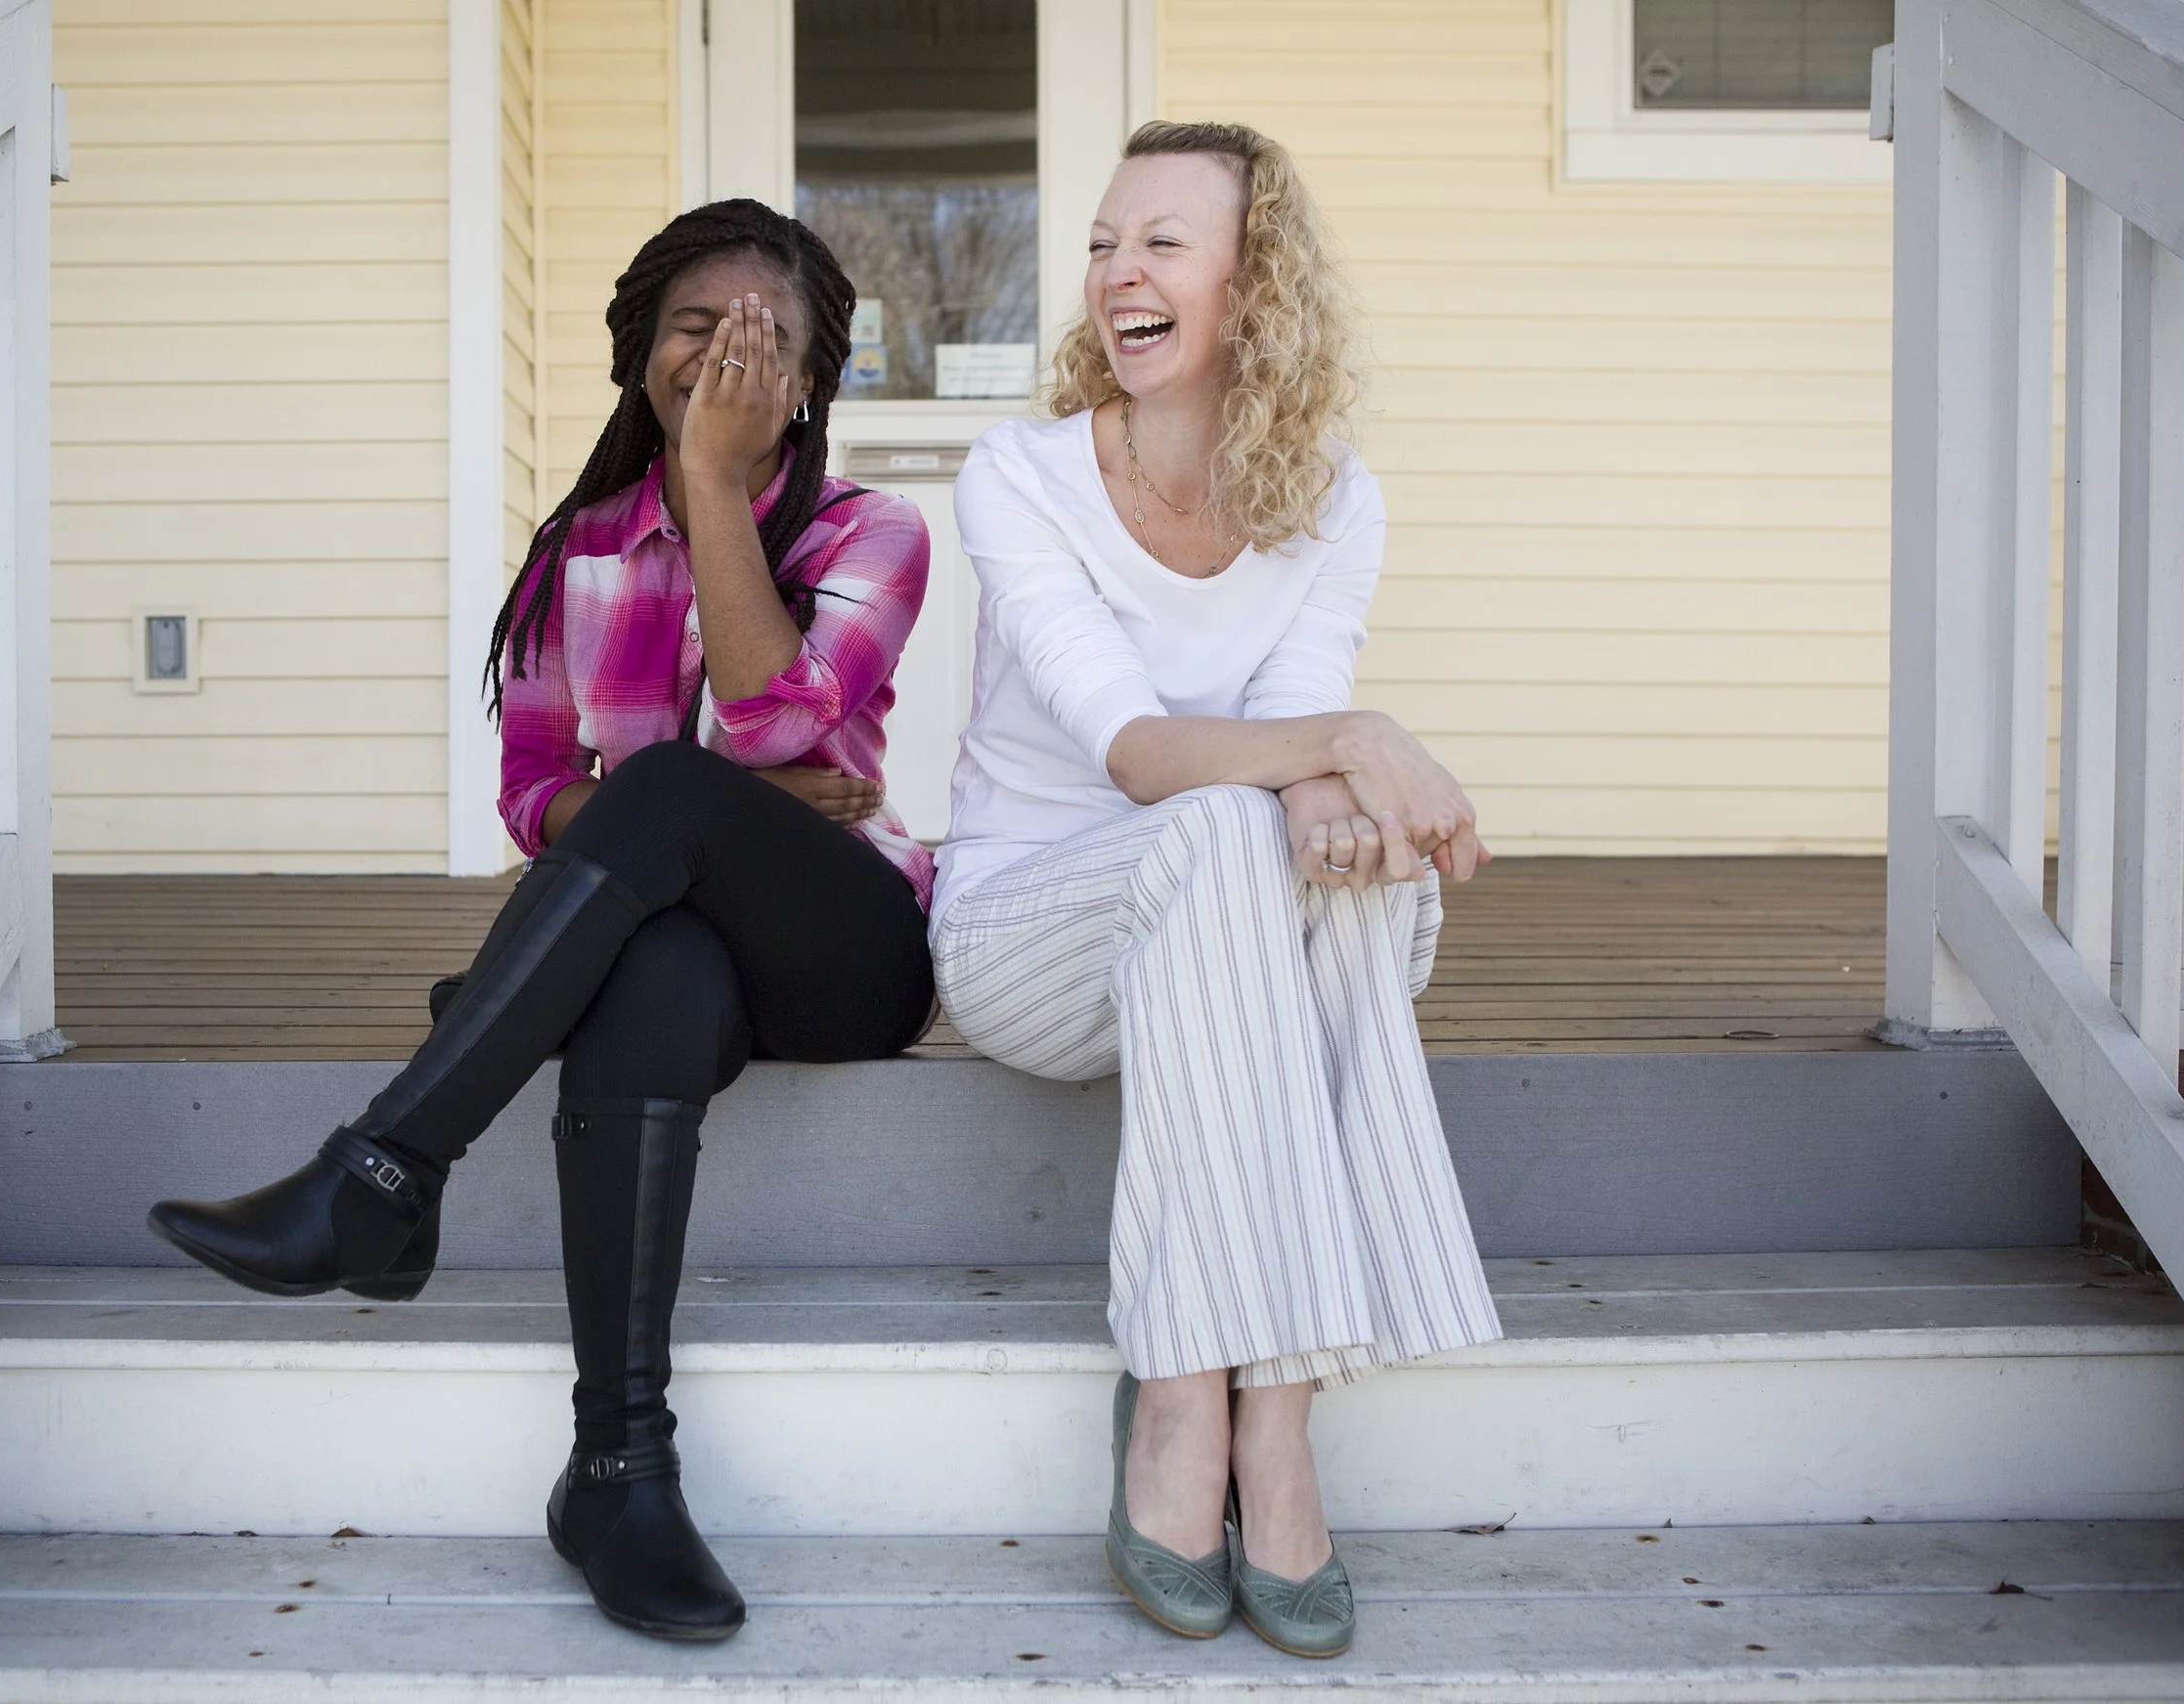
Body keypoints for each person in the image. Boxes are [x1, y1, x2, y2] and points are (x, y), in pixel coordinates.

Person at [147, 199, 936, 1644]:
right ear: (641, 357)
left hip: (851, 952)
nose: (725, 354)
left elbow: (765, 710)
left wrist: (706, 501)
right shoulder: (577, 549)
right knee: (659, 952)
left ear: (814, 379)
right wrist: (687, 811)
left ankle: (382, 1173)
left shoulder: (873, 530)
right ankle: (618, 1468)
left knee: (677, 802)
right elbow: (533, 793)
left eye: (765, 335)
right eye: (695, 328)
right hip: (677, 952)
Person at [931, 121, 1499, 1659]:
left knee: (1364, 875)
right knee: (1214, 830)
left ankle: (1275, 1405)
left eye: (1162, 242)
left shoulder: (1332, 499)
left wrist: (1346, 806)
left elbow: (1295, 758)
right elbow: (1138, 751)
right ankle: (1191, 1388)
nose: (1118, 270)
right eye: (1108, 241)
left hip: (1219, 923)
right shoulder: (1022, 478)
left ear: (1255, 291)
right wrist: (1362, 744)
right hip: (1026, 934)